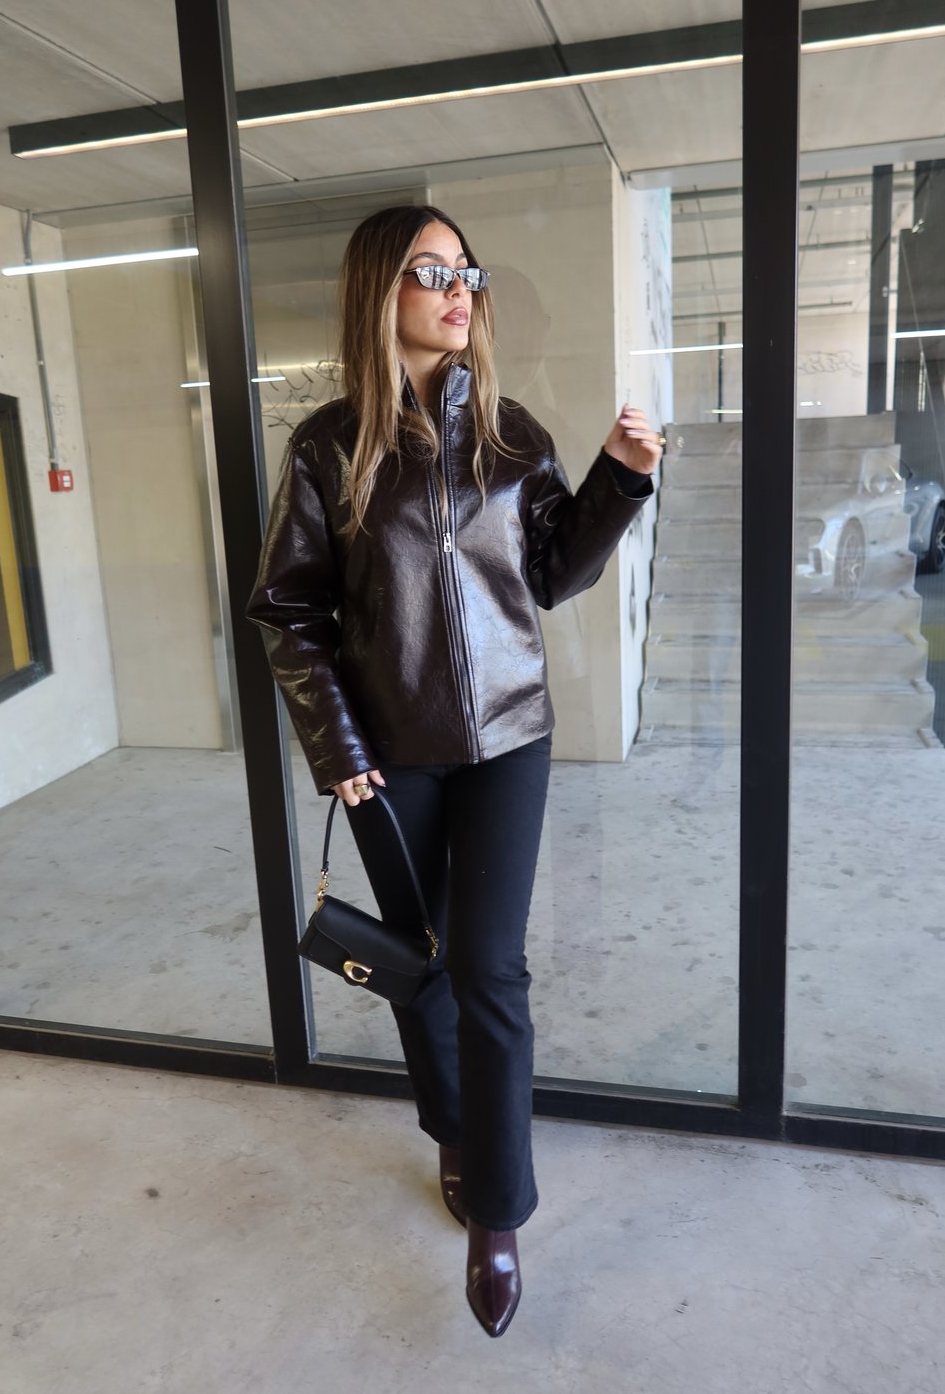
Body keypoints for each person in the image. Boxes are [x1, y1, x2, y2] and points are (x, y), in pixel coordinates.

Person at [246, 204, 664, 1338]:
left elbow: (553, 572)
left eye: (464, 272)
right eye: (431, 272)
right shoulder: (327, 445)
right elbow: (286, 610)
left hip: (509, 740)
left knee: (489, 969)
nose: (457, 291)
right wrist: (336, 747)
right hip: (390, 756)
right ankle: (452, 1130)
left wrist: (621, 481)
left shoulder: (512, 434)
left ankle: (496, 1208)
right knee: (420, 968)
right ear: (378, 289)